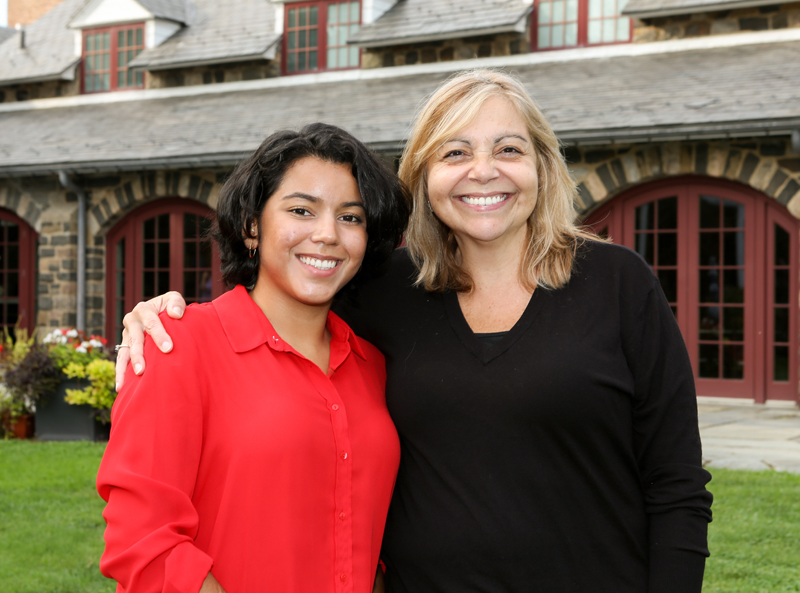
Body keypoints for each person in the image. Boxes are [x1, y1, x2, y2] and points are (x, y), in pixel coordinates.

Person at [116, 70, 713, 593]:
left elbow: (678, 482)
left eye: (508, 148)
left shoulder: (617, 283)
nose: (483, 171)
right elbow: (279, 297)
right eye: (454, 152)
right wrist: (163, 318)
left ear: (542, 166)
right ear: (424, 177)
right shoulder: (386, 292)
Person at [97, 123, 409, 593]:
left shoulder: (373, 365)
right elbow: (143, 542)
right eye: (301, 210)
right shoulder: (177, 346)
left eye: (351, 217)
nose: (327, 234)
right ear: (251, 228)